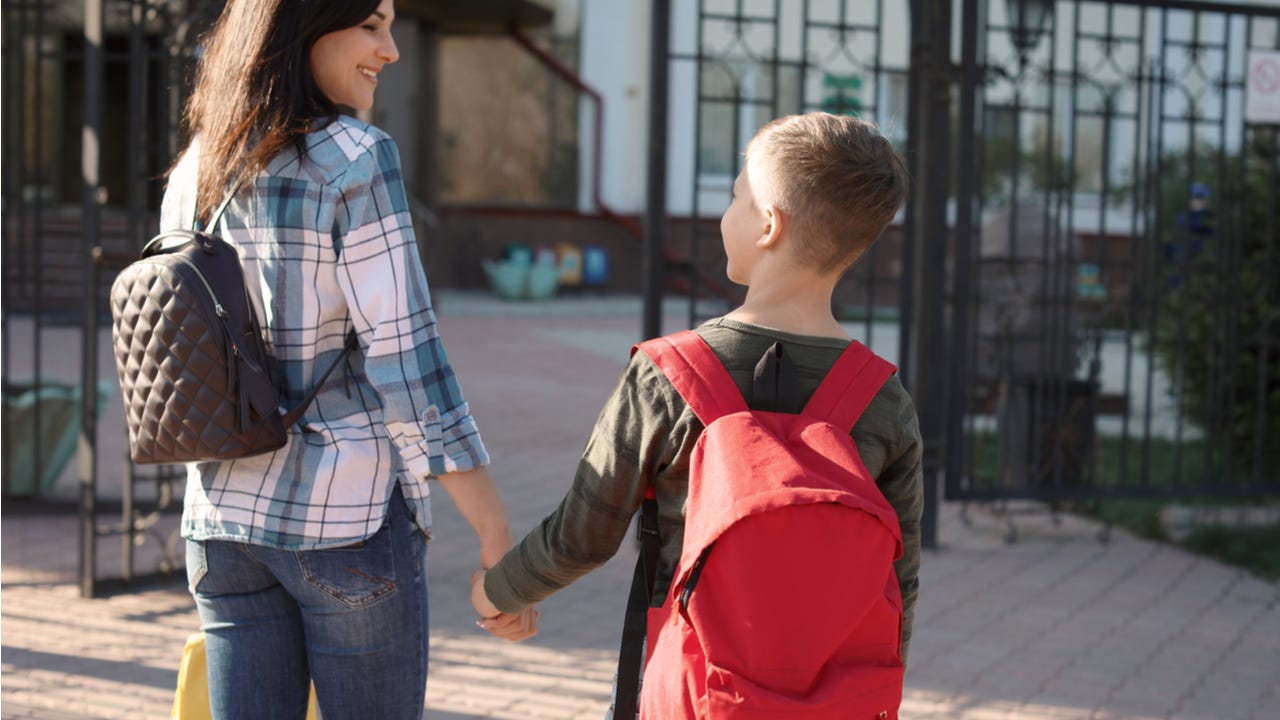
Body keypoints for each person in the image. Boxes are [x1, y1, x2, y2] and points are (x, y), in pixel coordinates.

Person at [471, 112, 923, 700]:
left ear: (767, 225)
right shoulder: (884, 399)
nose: (723, 214)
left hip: (692, 689)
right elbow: (900, 581)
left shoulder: (669, 375)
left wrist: (497, 593)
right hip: (830, 696)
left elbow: (583, 536)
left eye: (736, 196)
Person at [169, 2, 531, 718]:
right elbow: (408, 358)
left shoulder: (200, 164)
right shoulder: (356, 158)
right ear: (307, 27)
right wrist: (493, 530)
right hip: (346, 522)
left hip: (220, 523)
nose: (390, 50)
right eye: (371, 25)